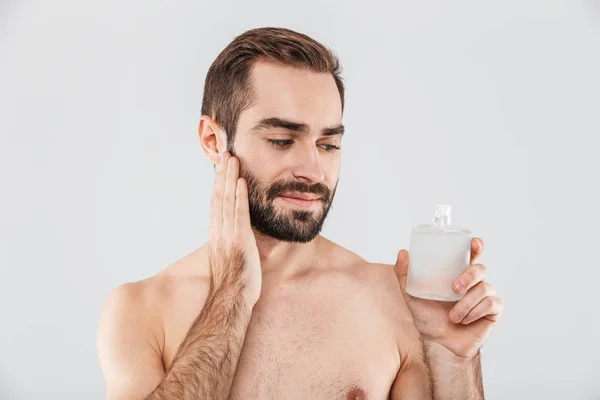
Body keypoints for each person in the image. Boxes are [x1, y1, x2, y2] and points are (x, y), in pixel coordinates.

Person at [96, 27, 504, 400]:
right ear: (212, 140)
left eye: (328, 144)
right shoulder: (140, 311)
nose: (313, 170)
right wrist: (231, 296)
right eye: (281, 140)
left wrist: (453, 359)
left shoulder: (393, 301)